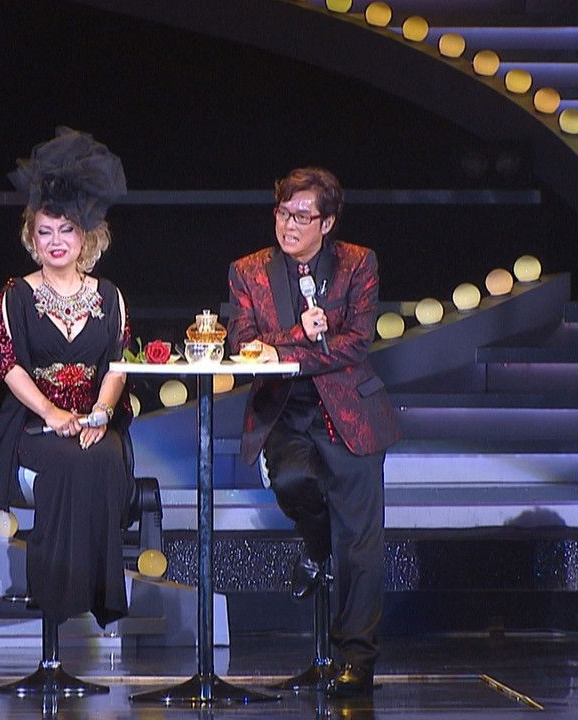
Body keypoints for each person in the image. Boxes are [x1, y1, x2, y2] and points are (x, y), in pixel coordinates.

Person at [227, 167, 399, 697]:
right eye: (283, 213)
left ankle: (356, 659)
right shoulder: (248, 271)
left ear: (327, 223)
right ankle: (315, 544)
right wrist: (298, 334)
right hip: (287, 412)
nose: (289, 225)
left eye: (302, 216)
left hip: (351, 413)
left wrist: (286, 352)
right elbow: (244, 344)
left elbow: (355, 343)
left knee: (361, 544)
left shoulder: (358, 262)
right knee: (293, 483)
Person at [0, 127, 133, 629]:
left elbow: (118, 365)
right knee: (66, 460)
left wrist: (100, 413)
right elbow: (8, 366)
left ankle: (98, 594)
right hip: (33, 424)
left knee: (104, 455)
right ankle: (54, 598)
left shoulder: (109, 295)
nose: (56, 242)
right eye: (45, 233)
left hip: (94, 420)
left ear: (85, 236)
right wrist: (54, 413)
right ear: (32, 238)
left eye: (66, 231)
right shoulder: (16, 294)